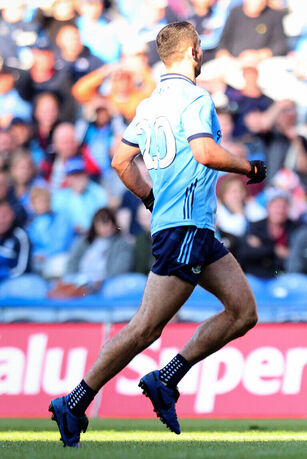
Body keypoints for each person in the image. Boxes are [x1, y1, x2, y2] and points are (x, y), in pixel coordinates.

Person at [48, 22, 267, 447]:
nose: (202, 55)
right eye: (199, 49)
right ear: (190, 52)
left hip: (191, 227)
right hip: (184, 227)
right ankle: (73, 402)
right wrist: (249, 168)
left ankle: (166, 380)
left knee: (243, 313)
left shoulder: (149, 106)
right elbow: (204, 151)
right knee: (145, 328)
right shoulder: (197, 98)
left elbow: (119, 161)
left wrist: (150, 198)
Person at [64, 207, 134, 289]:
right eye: (103, 223)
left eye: (109, 222)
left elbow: (121, 269)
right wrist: (73, 281)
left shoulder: (122, 244)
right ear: (95, 225)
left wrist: (103, 282)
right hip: (80, 283)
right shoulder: (83, 242)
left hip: (106, 285)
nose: (107, 227)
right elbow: (72, 262)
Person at [0, 199, 30, 280]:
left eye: (5, 216)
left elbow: (22, 269)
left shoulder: (20, 236)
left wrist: (4, 275)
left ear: (12, 215)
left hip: (12, 281)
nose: (1, 220)